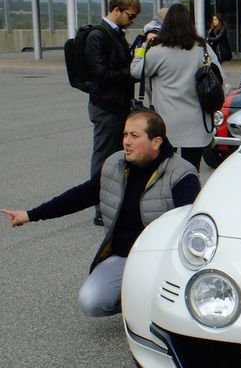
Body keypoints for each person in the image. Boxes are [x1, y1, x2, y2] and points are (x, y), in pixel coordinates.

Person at [1, 110, 200, 317]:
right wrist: (30, 214)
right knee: (92, 301)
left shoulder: (181, 174)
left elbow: (191, 226)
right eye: (125, 135)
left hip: (162, 261)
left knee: (167, 308)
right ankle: (134, 300)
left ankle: (155, 301)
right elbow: (81, 195)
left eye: (135, 136)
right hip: (124, 256)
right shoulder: (115, 164)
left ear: (156, 141)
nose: (127, 142)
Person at [130, 3, 223, 171]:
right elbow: (219, 76)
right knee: (191, 171)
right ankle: (189, 197)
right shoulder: (203, 48)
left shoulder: (157, 51)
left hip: (166, 124)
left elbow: (137, 72)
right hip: (197, 122)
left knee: (164, 171)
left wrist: (142, 49)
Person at [85, 0, 142, 226]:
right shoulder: (98, 36)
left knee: (119, 157)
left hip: (118, 105)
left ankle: (114, 203)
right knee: (104, 158)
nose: (132, 21)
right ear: (116, 10)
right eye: (130, 16)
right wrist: (130, 74)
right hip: (106, 107)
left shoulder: (116, 33)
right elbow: (100, 73)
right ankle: (100, 207)